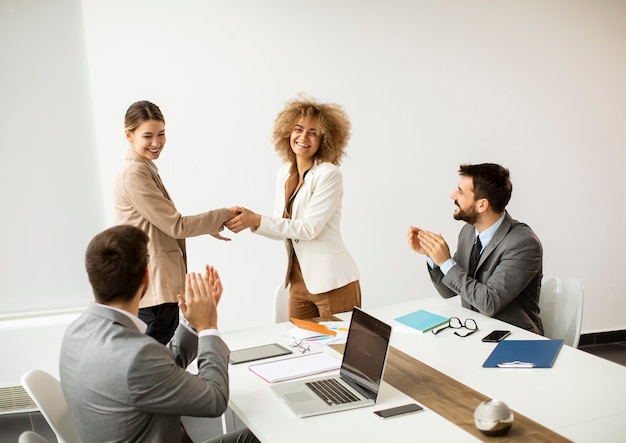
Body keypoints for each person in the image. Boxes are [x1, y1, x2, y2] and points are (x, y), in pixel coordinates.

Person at [59, 225, 259, 443]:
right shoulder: (137, 355)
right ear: (146, 275)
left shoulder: (75, 332)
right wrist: (208, 326)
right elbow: (215, 399)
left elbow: (154, 373)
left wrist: (192, 323)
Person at [226, 96, 361, 319]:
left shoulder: (329, 174)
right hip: (298, 284)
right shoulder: (284, 173)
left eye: (313, 132)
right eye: (298, 129)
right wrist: (248, 221)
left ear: (324, 139)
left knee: (340, 349)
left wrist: (257, 220)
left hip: (332, 283)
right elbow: (284, 228)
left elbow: (308, 229)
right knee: (300, 350)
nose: (303, 137)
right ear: (288, 131)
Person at [114, 100, 233, 344]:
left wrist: (211, 225)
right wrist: (223, 216)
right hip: (153, 289)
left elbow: (164, 224)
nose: (156, 143)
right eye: (148, 136)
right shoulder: (134, 173)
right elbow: (176, 225)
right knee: (155, 364)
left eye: (161, 134)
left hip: (158, 288)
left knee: (161, 362)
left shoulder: (144, 169)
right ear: (129, 135)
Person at [407, 163, 544, 334]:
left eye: (460, 191)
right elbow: (448, 290)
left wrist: (446, 262)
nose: (453, 195)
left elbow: (489, 303)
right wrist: (433, 256)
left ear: (482, 205)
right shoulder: (468, 232)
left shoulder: (523, 244)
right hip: (475, 333)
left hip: (515, 341)